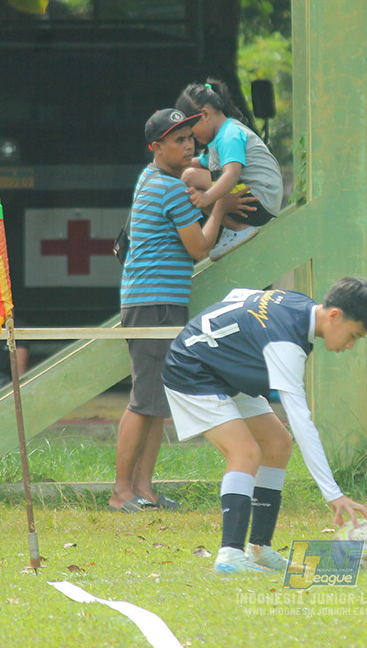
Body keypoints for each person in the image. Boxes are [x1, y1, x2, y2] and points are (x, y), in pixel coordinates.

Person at [161, 277, 367, 574]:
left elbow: (239, 294)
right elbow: (302, 422)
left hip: (224, 367)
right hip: (192, 368)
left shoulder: (299, 303)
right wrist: (334, 494)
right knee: (246, 452)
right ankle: (229, 556)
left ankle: (259, 550)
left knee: (278, 444)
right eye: (353, 335)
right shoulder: (287, 344)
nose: (350, 345)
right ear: (334, 316)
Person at [110, 107, 257, 513]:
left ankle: (145, 489)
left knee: (156, 401)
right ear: (156, 147)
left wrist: (199, 175)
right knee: (144, 401)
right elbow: (200, 248)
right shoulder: (171, 189)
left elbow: (190, 170)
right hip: (154, 304)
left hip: (152, 301)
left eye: (191, 136)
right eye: (178, 139)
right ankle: (122, 491)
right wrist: (221, 207)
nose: (189, 144)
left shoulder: (150, 177)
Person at [175, 78, 283, 261]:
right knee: (185, 178)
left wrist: (207, 197)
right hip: (255, 198)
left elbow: (232, 174)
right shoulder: (218, 138)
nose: (194, 140)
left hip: (259, 199)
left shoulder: (229, 135)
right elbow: (198, 163)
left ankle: (236, 229)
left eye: (193, 134)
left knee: (189, 179)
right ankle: (236, 228)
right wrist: (167, 166)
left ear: (205, 114)